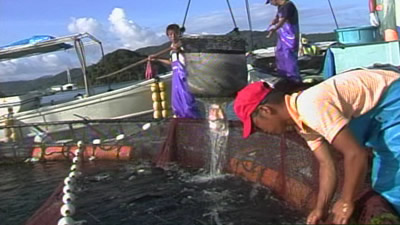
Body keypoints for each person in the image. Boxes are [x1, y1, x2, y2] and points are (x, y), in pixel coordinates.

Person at [233, 66, 400, 224]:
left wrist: (346, 201)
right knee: (382, 182)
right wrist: (321, 208)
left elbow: (356, 154)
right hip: (376, 113)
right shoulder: (302, 121)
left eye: (257, 126)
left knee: (393, 183)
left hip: (392, 99)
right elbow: (326, 164)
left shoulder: (311, 107)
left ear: (266, 110)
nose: (263, 131)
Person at [149, 24, 200, 118]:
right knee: (177, 102)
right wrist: (157, 59)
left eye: (175, 34)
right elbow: (172, 63)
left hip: (185, 75)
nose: (173, 36)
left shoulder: (185, 44)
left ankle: (194, 119)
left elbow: (190, 59)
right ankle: (182, 120)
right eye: (170, 34)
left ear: (179, 34)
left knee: (188, 101)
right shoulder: (171, 48)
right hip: (176, 77)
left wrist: (180, 51)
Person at [266, 0, 301, 83]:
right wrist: (273, 23)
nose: (271, 4)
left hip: (290, 36)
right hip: (282, 36)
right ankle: (283, 76)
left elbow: (283, 20)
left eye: (270, 1)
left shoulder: (288, 5)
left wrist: (275, 28)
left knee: (288, 55)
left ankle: (294, 79)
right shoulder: (280, 7)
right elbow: (278, 18)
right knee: (279, 53)